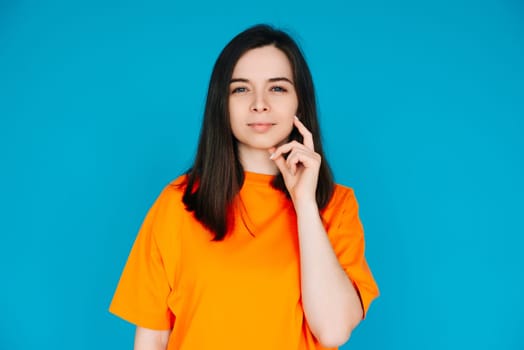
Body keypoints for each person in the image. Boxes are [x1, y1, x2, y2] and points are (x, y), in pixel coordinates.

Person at [109, 24, 379, 350]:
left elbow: (334, 330)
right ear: (221, 104)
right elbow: (151, 339)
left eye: (277, 88)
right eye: (240, 89)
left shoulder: (335, 205)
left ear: (300, 102)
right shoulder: (178, 203)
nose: (259, 104)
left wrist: (305, 203)